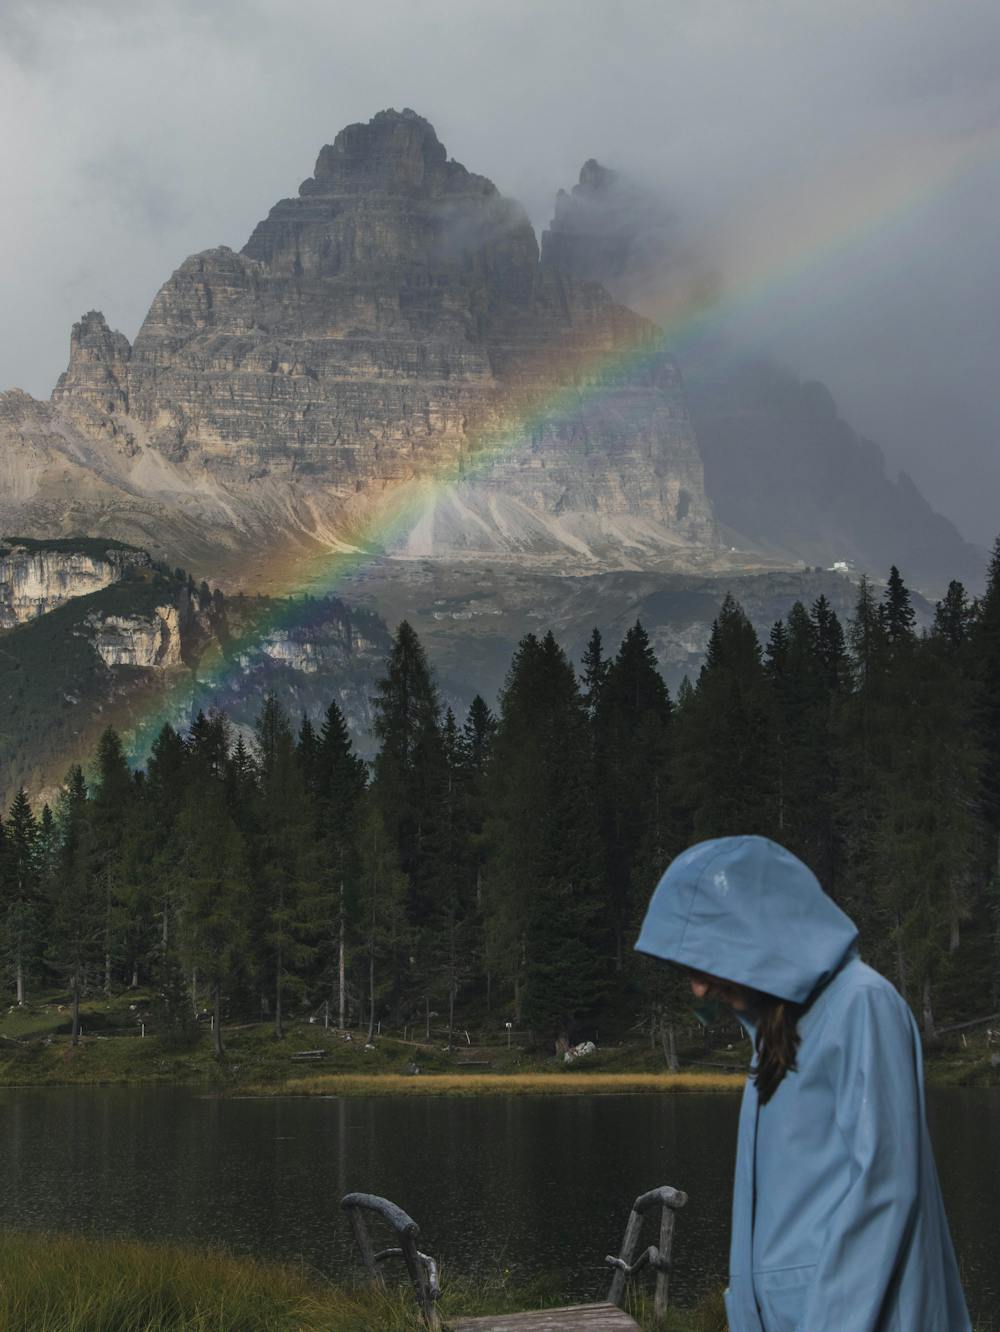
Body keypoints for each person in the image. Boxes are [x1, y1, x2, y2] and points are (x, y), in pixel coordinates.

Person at [634, 834, 971, 1332]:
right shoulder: (775, 1038)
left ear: (758, 932)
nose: (699, 988)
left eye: (705, 961)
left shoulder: (862, 1005)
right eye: (689, 968)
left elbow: (884, 1190)